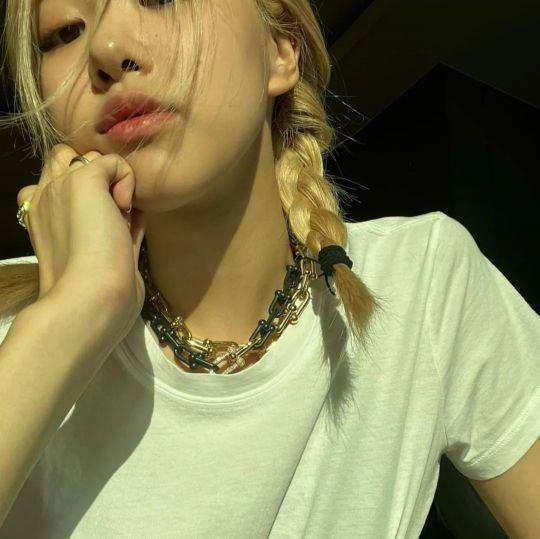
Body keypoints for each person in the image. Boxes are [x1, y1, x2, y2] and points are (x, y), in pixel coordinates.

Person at [0, 1, 539, 537]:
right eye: (64, 32)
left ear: (280, 52)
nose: (106, 47)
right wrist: (72, 315)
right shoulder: (14, 331)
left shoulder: (421, 281)